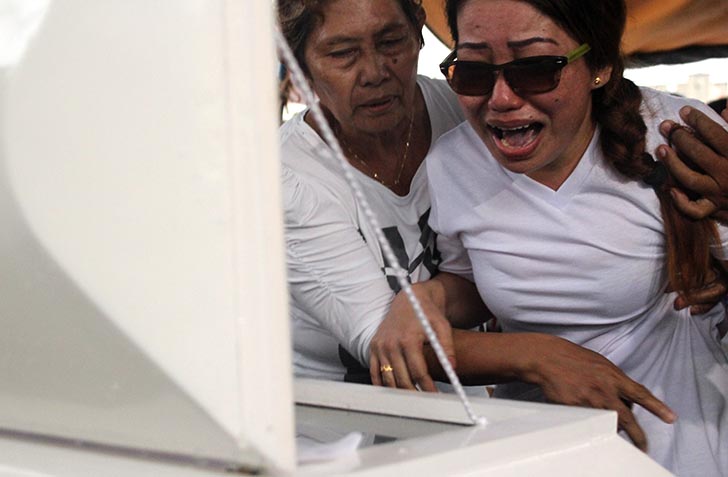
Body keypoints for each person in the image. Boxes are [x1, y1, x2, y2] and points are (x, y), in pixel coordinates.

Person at [278, 0, 728, 454]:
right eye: (342, 53)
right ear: (298, 66)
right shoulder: (442, 158)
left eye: (536, 69)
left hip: (674, 432)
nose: (502, 99)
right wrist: (538, 355)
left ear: (418, 31)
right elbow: (397, 333)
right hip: (345, 438)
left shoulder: (673, 138)